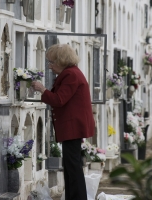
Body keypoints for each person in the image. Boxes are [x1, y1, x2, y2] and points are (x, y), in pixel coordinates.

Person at [31, 44, 95, 200]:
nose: (49, 66)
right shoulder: (70, 73)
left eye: (52, 62)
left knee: (73, 167)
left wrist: (42, 90)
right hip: (72, 126)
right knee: (71, 166)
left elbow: (59, 99)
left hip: (73, 126)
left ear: (62, 61)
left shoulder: (71, 75)